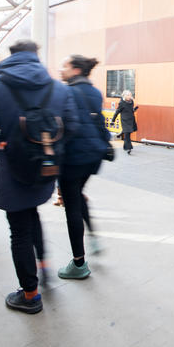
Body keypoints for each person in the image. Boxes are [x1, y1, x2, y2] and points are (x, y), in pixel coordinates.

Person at [0, 40, 79, 315]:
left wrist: (2, 146)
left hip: (13, 171)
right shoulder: (58, 88)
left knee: (19, 229)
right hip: (46, 167)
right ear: (36, 57)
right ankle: (43, 266)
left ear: (11, 57)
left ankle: (30, 295)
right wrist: (49, 146)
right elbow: (73, 126)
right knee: (32, 213)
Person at [57, 54, 112, 279]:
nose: (62, 69)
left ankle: (79, 264)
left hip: (73, 157)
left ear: (76, 70)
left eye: (65, 66)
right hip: (93, 155)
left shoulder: (67, 92)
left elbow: (66, 125)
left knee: (71, 206)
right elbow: (98, 121)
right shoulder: (94, 92)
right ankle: (93, 236)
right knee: (77, 195)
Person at [111, 90, 138, 155]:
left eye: (130, 95)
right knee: (127, 134)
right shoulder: (122, 103)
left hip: (131, 119)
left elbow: (131, 110)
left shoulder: (131, 102)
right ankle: (129, 148)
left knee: (128, 133)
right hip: (125, 120)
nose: (129, 96)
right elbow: (117, 112)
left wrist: (134, 109)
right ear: (124, 96)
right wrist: (113, 120)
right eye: (128, 95)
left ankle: (125, 146)